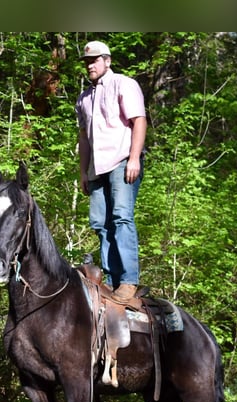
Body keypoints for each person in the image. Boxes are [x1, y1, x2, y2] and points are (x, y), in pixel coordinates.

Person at [75, 40, 147, 303]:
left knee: (121, 218)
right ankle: (110, 282)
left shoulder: (124, 84)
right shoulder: (83, 98)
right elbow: (84, 137)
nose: (90, 65)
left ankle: (128, 282)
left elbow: (139, 120)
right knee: (100, 224)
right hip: (96, 168)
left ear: (107, 60)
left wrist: (134, 158)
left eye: (94, 60)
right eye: (86, 62)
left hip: (122, 161)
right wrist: (83, 172)